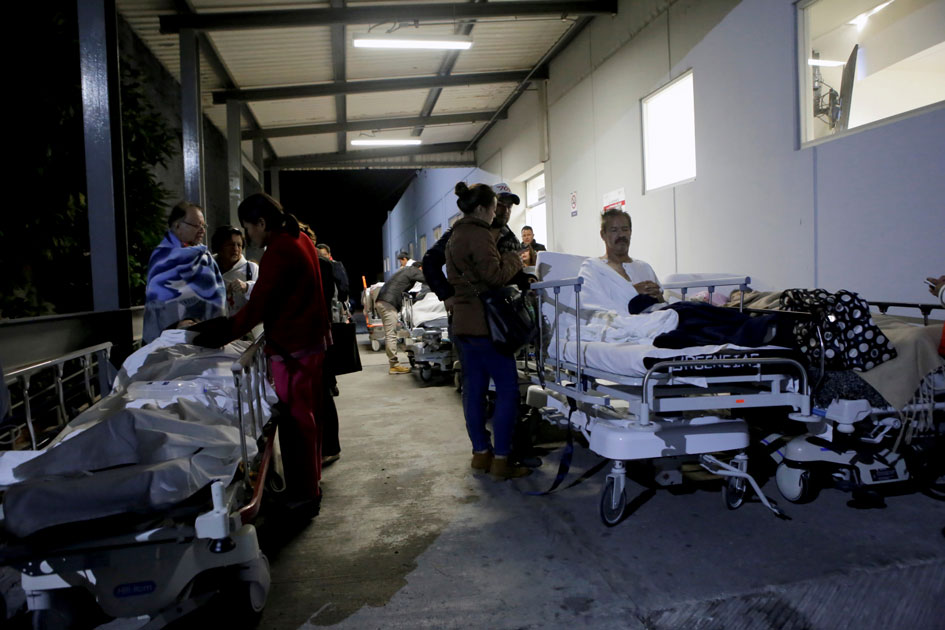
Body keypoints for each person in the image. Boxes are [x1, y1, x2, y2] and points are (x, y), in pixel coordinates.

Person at [192, 193, 330, 509]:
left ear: (262, 223)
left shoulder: (279, 251)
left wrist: (219, 334)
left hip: (293, 349)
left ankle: (304, 493)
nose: (247, 236)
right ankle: (311, 483)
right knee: (309, 416)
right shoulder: (301, 239)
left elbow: (259, 306)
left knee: (296, 422)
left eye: (248, 228)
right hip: (311, 342)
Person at [446, 181, 529, 480]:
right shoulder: (479, 234)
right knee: (508, 390)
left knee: (474, 391)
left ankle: (481, 453)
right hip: (487, 325)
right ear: (483, 207)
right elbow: (494, 277)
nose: (497, 212)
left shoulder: (455, 233)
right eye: (495, 207)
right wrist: (514, 258)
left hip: (464, 324)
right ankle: (502, 459)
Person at [143, 201, 225, 344]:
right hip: (173, 338)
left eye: (203, 226)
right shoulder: (162, 258)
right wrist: (175, 324)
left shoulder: (204, 256)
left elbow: (216, 295)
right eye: (196, 225)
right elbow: (158, 301)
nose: (202, 230)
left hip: (209, 335)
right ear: (177, 225)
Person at [376, 262, 425, 374]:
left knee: (390, 333)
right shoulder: (414, 270)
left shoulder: (404, 270)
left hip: (383, 301)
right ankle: (394, 365)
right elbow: (429, 279)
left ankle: (394, 363)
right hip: (388, 303)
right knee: (391, 334)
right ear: (420, 268)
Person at [211, 225, 258, 313]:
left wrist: (247, 287)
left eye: (239, 245)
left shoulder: (251, 269)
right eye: (231, 245)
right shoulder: (208, 266)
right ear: (219, 246)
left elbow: (263, 295)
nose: (236, 249)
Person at [491, 183, 521, 254]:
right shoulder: (473, 234)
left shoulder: (514, 243)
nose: (506, 210)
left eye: (509, 206)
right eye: (500, 204)